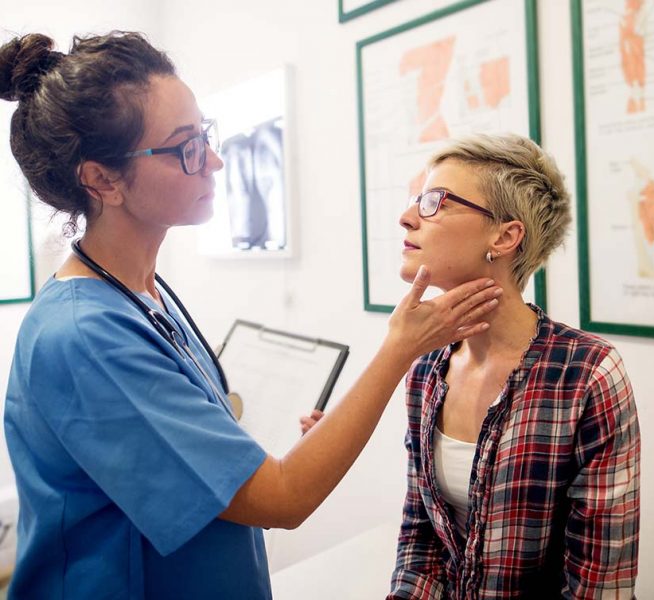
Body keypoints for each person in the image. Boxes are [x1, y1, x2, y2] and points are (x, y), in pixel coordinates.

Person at [0, 32, 503, 598]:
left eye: (206, 135)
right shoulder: (83, 337)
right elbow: (281, 499)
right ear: (101, 179)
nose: (213, 160)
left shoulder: (141, 292)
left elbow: (218, 464)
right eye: (186, 147)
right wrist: (399, 348)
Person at [386, 134, 641, 598]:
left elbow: (598, 582)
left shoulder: (587, 373)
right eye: (413, 201)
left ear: (505, 236)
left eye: (433, 201)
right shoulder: (425, 367)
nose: (406, 217)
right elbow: (420, 536)